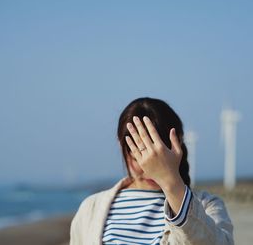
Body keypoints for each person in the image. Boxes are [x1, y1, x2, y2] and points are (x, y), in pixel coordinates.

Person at [69, 97, 234, 245]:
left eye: (158, 159)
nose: (150, 171)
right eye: (139, 158)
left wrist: (171, 182)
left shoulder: (207, 206)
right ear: (123, 147)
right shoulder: (91, 208)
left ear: (178, 145)